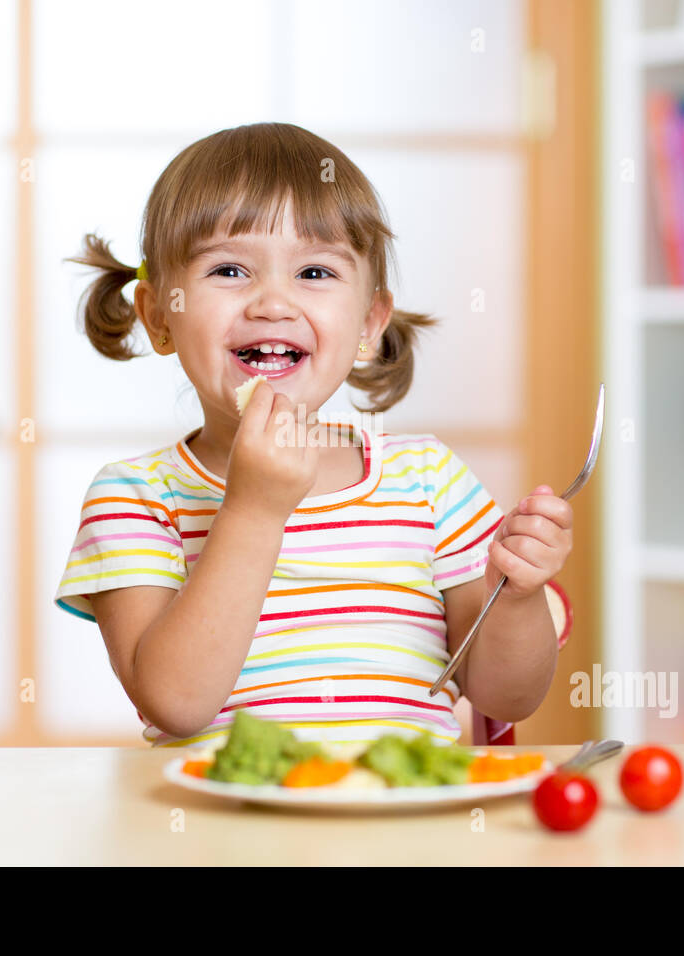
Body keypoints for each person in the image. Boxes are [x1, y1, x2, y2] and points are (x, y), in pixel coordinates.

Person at [53, 122, 572, 748]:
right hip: (224, 838)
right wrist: (253, 509)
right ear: (161, 316)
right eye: (228, 270)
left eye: (316, 274)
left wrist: (518, 598)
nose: (273, 303)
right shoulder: (135, 497)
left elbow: (505, 696)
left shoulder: (429, 480)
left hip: (396, 832)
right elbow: (175, 703)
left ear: (368, 323)